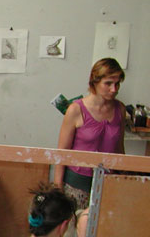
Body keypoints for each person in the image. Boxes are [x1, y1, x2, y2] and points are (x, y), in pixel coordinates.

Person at [54, 57, 126, 210]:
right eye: (108, 83)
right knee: (75, 224)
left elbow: (119, 148)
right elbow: (62, 152)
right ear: (95, 82)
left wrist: (124, 179)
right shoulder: (75, 110)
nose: (114, 89)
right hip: (77, 185)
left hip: (108, 184)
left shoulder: (120, 109)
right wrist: (58, 189)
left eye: (117, 84)